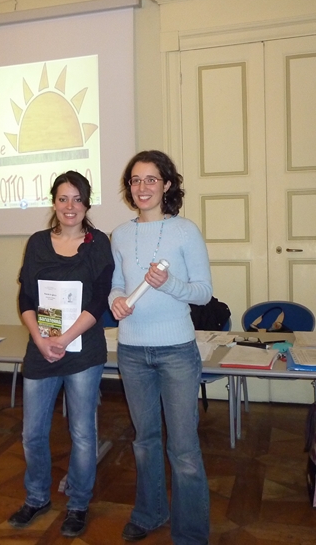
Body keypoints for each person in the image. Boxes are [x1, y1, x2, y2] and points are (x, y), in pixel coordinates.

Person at [109, 151, 212, 544]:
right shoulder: (119, 234)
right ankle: (150, 512)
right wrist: (114, 300)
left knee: (184, 450)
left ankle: (190, 534)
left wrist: (168, 284)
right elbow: (118, 284)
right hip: (132, 351)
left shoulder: (185, 230)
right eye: (136, 180)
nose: (142, 187)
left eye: (151, 179)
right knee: (144, 440)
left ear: (167, 185)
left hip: (176, 352)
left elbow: (203, 294)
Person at [9, 171, 114, 538]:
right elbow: (26, 298)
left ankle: (78, 504)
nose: (70, 207)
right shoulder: (37, 242)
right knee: (32, 434)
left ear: (87, 203)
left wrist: (65, 337)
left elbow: (100, 299)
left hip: (83, 350)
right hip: (42, 349)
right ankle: (37, 497)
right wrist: (40, 339)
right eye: (63, 199)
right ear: (54, 202)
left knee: (83, 433)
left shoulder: (99, 242)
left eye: (77, 199)